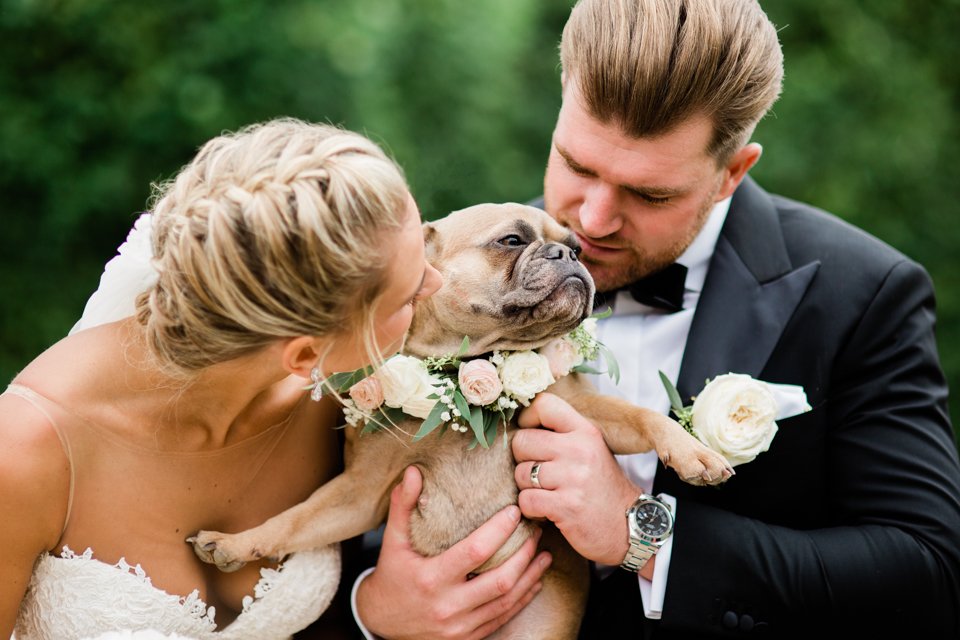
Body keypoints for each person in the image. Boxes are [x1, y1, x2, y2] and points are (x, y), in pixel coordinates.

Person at [355, 0, 960, 638]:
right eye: (576, 165)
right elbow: (346, 509)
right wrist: (374, 607)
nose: (592, 221)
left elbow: (928, 574)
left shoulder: (861, 293)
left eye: (650, 194)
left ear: (732, 172)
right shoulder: (453, 277)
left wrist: (645, 535)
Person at [0, 118, 551, 639]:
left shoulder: (356, 394)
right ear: (305, 353)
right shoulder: (27, 451)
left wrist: (375, 612)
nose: (436, 282)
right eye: (409, 296)